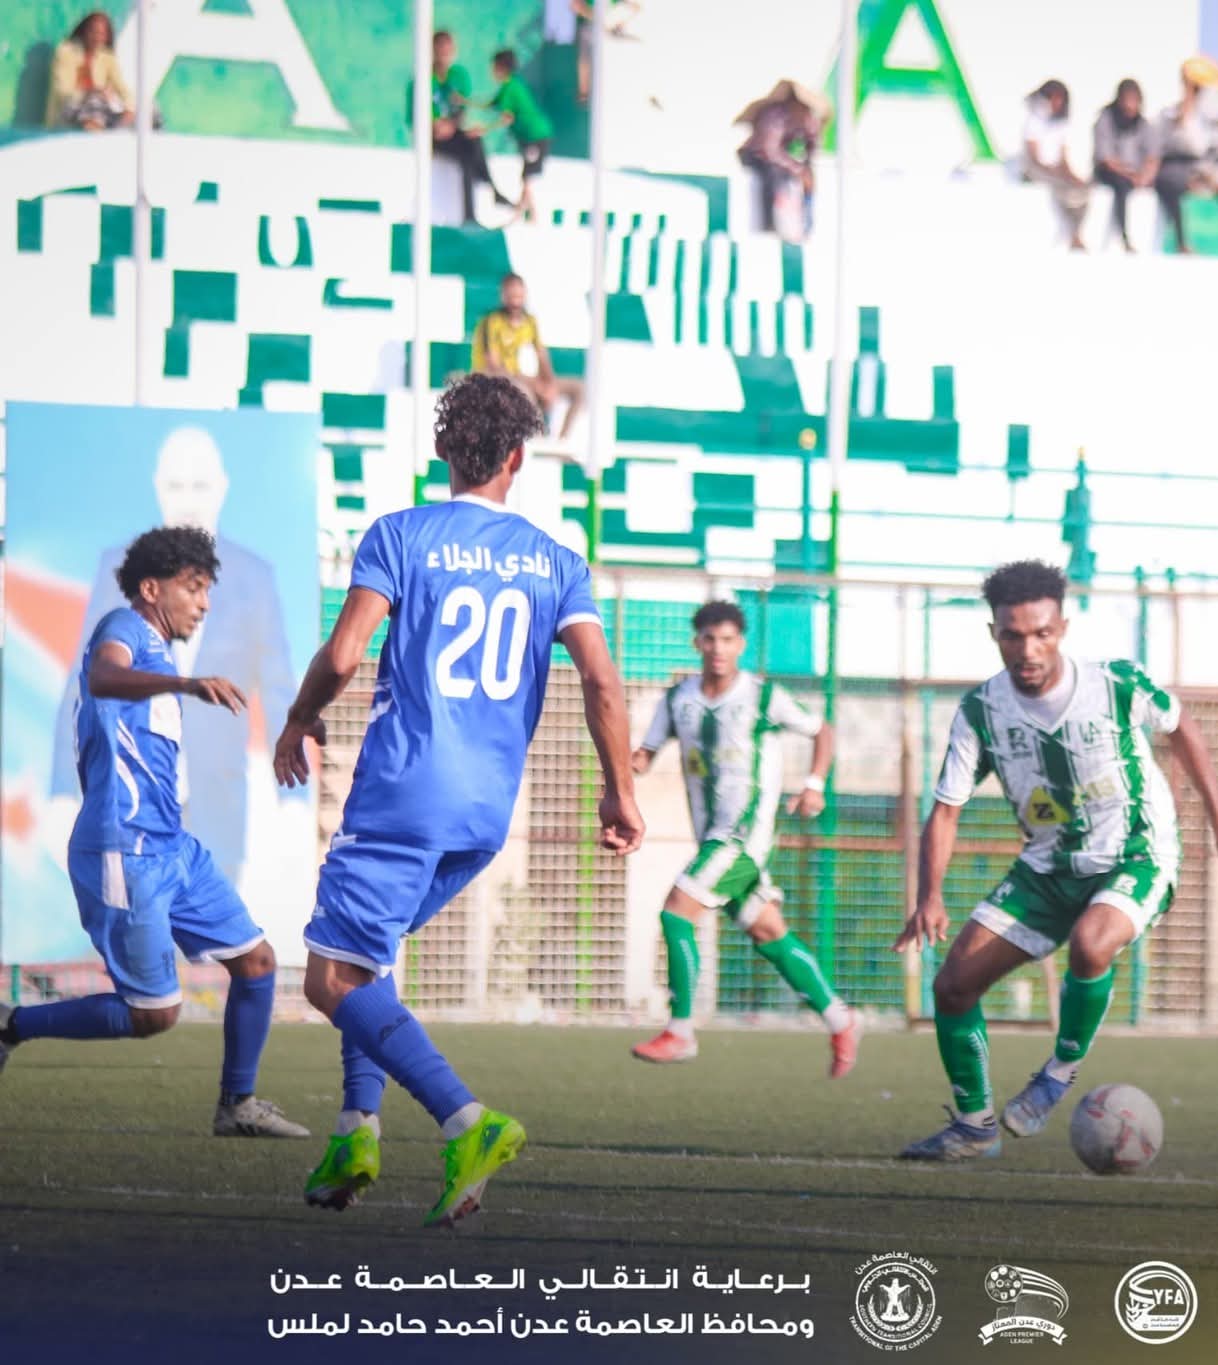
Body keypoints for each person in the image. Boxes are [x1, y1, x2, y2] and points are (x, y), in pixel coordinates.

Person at [275, 374, 644, 1225]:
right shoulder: (559, 561)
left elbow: (344, 653)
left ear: (444, 450)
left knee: (330, 979)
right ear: (518, 457)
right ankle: (356, 1129)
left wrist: (299, 717)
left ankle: (466, 1119)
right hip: (485, 811)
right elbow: (601, 680)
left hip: (403, 793)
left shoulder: (402, 534)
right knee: (367, 954)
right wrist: (619, 791)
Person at [894, 561, 1218, 1161]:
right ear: (994, 634)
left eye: (1041, 633)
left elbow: (1182, 728)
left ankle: (1058, 1072)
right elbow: (947, 810)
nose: (1028, 649)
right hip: (1047, 870)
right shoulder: (981, 712)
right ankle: (974, 1126)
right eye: (1013, 636)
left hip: (1137, 853)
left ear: (1062, 627)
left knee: (1092, 944)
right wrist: (928, 896)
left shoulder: (1115, 684)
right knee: (953, 986)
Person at [0, 527, 309, 1141]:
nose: (204, 603)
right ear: (151, 588)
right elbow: (102, 677)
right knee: (154, 1014)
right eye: (193, 588)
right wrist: (185, 684)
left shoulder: (161, 653)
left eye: (207, 590)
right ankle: (12, 1025)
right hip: (125, 849)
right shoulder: (123, 628)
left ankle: (238, 1105)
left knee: (257, 963)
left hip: (174, 847)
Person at [54, 427, 297, 893]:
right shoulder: (122, 594)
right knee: (144, 928)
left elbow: (278, 684)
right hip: (132, 810)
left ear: (221, 488)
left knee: (228, 934)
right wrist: (64, 789)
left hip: (216, 804)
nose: (188, 500)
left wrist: (295, 798)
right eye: (177, 485)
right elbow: (89, 681)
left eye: (199, 485)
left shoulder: (254, 576)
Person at [629, 601, 859, 1076]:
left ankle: (681, 1030)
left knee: (676, 912)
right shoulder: (677, 700)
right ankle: (841, 1019)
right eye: (710, 639)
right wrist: (618, 763)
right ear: (697, 643)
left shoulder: (762, 696)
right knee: (767, 929)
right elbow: (644, 755)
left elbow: (822, 731)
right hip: (710, 837)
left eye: (728, 640)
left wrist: (814, 784)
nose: (718, 648)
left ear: (741, 645)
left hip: (743, 838)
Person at [472, 273, 584, 438]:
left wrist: (549, 384)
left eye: (519, 296)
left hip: (520, 377)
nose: (516, 302)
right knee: (524, 393)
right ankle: (539, 439)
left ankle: (562, 441)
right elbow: (494, 366)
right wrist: (535, 385)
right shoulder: (491, 322)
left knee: (580, 389)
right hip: (493, 379)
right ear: (503, 296)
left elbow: (542, 355)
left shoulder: (529, 321)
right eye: (511, 296)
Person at [414, 30, 508, 225]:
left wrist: (452, 124)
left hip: (451, 132)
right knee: (469, 151)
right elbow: (420, 116)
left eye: (448, 50)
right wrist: (436, 125)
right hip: (431, 137)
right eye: (440, 49)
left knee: (473, 143)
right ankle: (490, 188)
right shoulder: (424, 79)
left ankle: (472, 213)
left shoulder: (458, 76)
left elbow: (460, 110)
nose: (444, 54)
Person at [1153, 57, 1218, 253]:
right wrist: (1189, 88)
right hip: (1175, 167)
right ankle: (1182, 242)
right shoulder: (1171, 112)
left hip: (1198, 165)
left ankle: (1217, 186)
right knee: (1180, 181)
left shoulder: (1202, 118)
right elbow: (1182, 121)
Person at [736, 79, 824, 244]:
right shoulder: (775, 116)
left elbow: (812, 144)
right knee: (770, 176)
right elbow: (770, 150)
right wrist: (797, 169)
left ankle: (806, 224)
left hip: (782, 160)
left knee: (808, 177)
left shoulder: (807, 118)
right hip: (757, 156)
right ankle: (768, 226)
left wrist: (806, 171)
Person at [1021, 80, 1090, 252]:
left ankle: (1077, 232)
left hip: (1055, 169)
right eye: (1053, 97)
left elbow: (1062, 156)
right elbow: (1033, 156)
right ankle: (1071, 235)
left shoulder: (1061, 122)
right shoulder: (1034, 119)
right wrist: (1054, 172)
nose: (1057, 102)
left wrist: (1071, 176)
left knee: (1083, 189)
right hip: (1035, 169)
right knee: (1061, 187)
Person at [484, 50, 553, 224]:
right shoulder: (511, 85)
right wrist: (464, 101)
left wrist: (483, 130)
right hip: (531, 136)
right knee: (526, 177)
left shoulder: (510, 87)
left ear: (500, 67)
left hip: (535, 136)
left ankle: (529, 215)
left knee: (527, 177)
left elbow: (506, 118)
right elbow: (490, 104)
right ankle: (524, 214)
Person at [1092, 79, 1160, 252]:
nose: (1131, 106)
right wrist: (1131, 175)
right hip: (1111, 174)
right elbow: (1106, 159)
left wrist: (1144, 177)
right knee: (1120, 186)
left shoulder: (1143, 125)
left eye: (1135, 101)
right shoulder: (1106, 119)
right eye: (1128, 100)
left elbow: (1153, 157)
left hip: (1136, 176)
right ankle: (1123, 237)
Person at [45, 10, 133, 131]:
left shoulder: (107, 57)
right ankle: (94, 134)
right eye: (93, 31)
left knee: (146, 110)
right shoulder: (66, 52)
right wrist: (90, 92)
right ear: (84, 31)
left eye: (101, 34)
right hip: (68, 112)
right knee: (94, 100)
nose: (97, 37)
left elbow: (122, 87)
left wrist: (130, 107)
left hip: (99, 112)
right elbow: (62, 91)